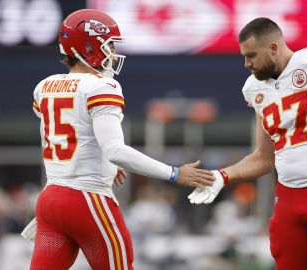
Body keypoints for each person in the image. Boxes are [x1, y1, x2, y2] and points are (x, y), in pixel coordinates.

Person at [26, 9, 215, 270]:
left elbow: (72, 134)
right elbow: (114, 149)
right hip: (87, 199)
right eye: (108, 45)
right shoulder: (102, 87)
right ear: (88, 46)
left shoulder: (44, 86)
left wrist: (103, 161)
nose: (112, 52)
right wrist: (174, 173)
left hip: (49, 200)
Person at [188, 17, 307, 270]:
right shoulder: (255, 89)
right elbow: (264, 157)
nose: (247, 63)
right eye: (244, 56)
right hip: (287, 197)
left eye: (252, 55)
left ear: (274, 47)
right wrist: (223, 175)